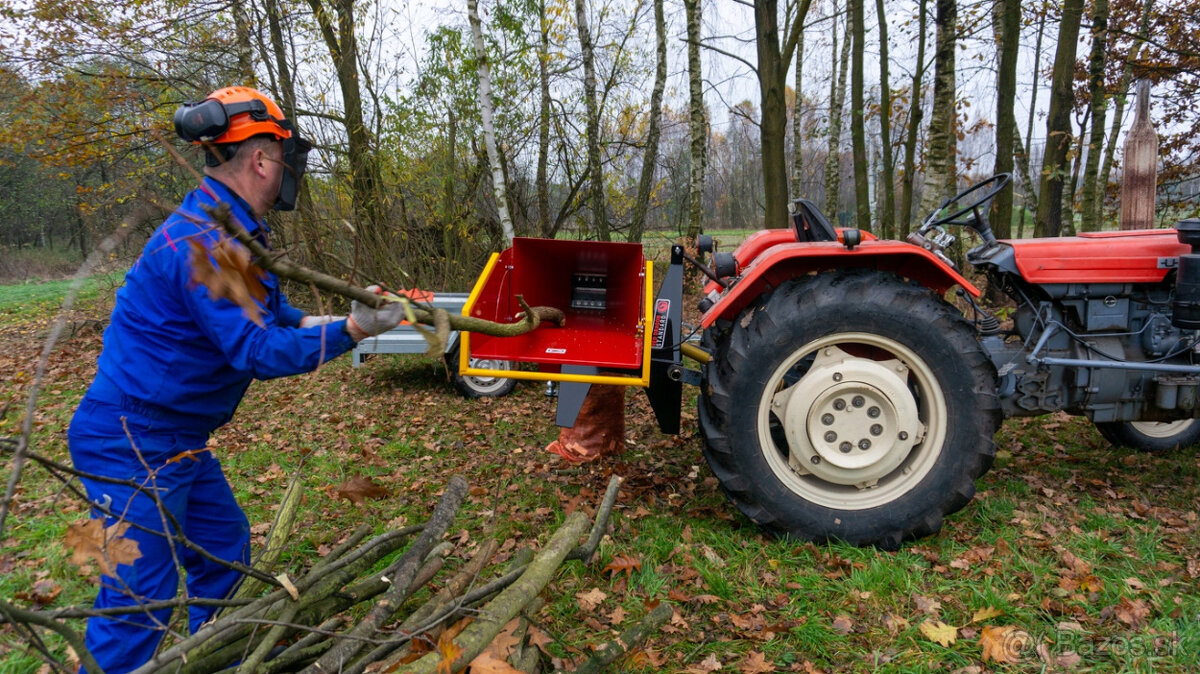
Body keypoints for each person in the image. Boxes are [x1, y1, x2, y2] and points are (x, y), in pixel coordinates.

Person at [67, 86, 403, 672]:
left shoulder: (230, 230)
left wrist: (360, 319)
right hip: (130, 439)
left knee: (222, 551)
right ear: (261, 159)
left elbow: (280, 319)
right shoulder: (208, 242)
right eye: (283, 154)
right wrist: (349, 329)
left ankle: (217, 658)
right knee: (137, 599)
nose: (288, 169)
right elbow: (260, 351)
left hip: (174, 440)